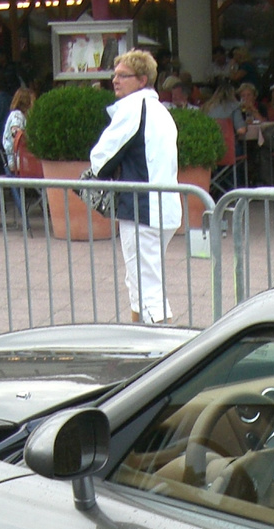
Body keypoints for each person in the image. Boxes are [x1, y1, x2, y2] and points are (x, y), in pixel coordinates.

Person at [88, 50, 181, 325]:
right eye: (114, 75)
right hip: (164, 207)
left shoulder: (133, 108)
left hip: (143, 209)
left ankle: (161, 353)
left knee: (146, 286)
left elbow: (100, 159)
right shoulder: (161, 110)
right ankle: (138, 338)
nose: (115, 80)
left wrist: (97, 174)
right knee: (140, 280)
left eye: (122, 76)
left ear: (142, 80)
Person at [0, 86, 34, 173]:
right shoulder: (17, 115)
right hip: (17, 159)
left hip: (18, 158)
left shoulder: (21, 116)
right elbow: (16, 132)